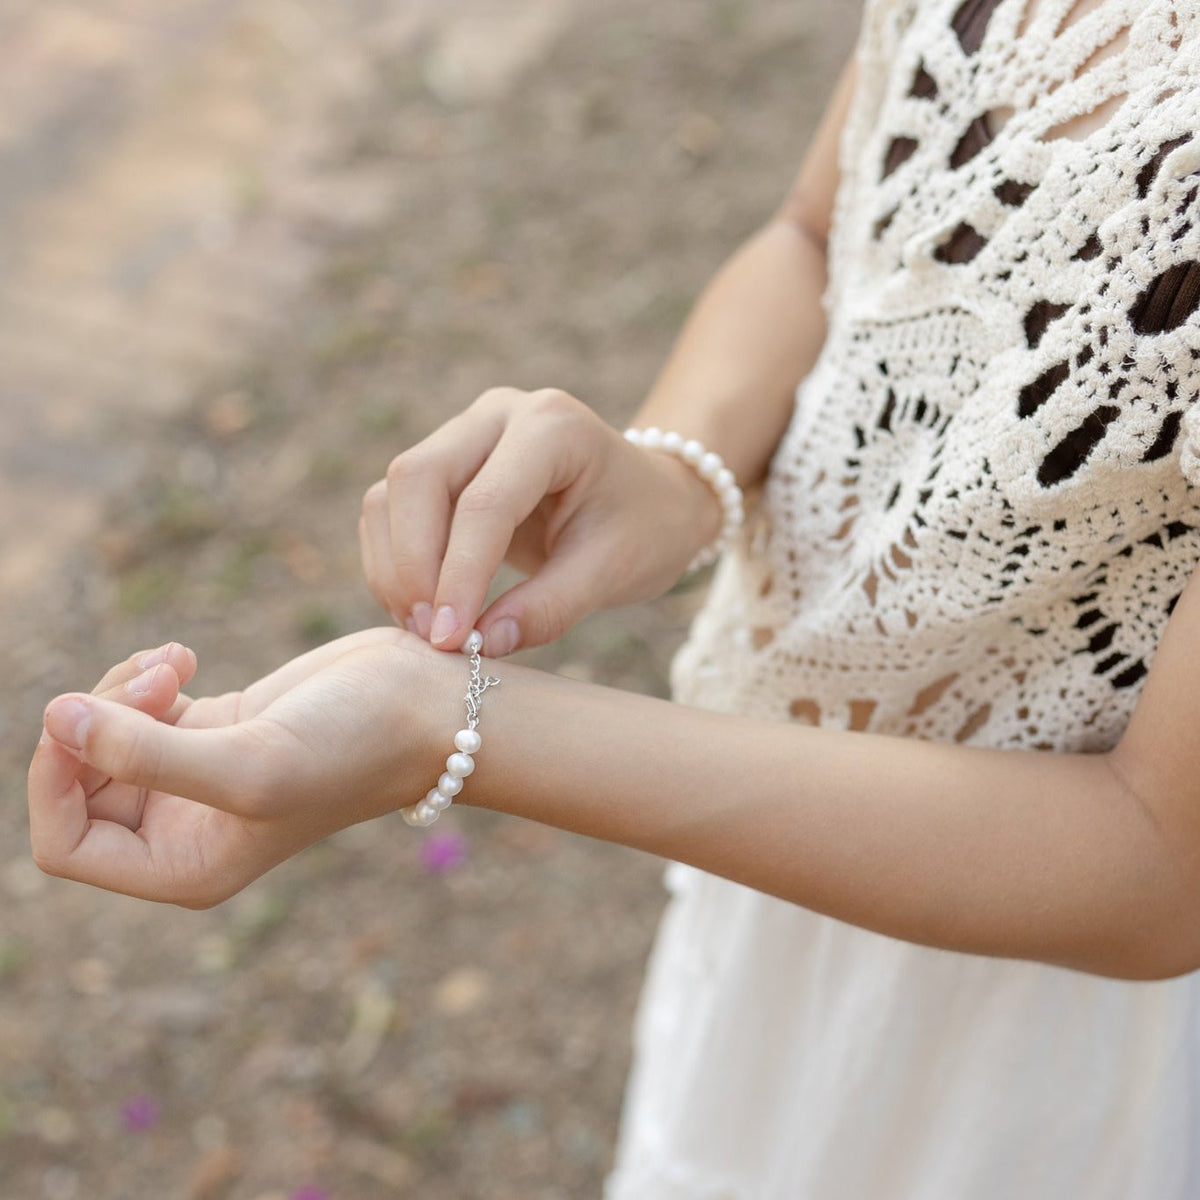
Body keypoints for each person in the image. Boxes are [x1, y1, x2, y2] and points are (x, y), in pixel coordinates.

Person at [28, 0, 1200, 1194]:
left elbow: (1157, 861)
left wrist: (442, 723)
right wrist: (675, 475)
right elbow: (818, 231)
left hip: (1050, 1023)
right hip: (794, 861)